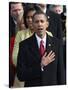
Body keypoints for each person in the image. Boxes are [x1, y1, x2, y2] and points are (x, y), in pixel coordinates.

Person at [17, 11, 65, 87]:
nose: (39, 24)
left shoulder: (57, 43)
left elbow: (61, 72)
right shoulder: (24, 45)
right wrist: (41, 66)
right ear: (32, 25)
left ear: (47, 24)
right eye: (36, 22)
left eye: (42, 21)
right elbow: (21, 75)